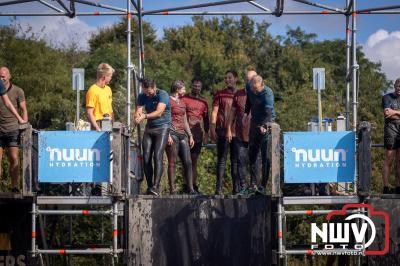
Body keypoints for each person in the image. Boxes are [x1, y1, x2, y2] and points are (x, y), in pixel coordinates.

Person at [135, 78, 171, 196]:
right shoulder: (142, 95)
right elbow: (138, 110)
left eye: (149, 92)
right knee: (146, 157)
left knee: (158, 155)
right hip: (150, 128)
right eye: (145, 92)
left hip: (163, 127)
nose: (147, 94)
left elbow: (159, 112)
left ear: (154, 87)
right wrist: (137, 116)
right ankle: (150, 186)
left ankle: (156, 186)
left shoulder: (163, 94)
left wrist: (144, 116)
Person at [210, 70, 239, 195]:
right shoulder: (220, 94)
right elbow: (214, 112)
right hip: (222, 131)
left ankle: (236, 189)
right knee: (221, 160)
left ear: (236, 79)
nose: (227, 80)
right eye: (226, 78)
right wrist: (212, 129)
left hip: (237, 132)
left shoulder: (241, 94)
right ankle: (218, 189)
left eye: (230, 77)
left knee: (235, 161)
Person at [245, 74, 275, 194]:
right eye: (253, 88)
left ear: (262, 85)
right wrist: (246, 112)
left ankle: (263, 185)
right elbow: (249, 99)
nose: (255, 91)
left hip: (266, 122)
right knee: (252, 153)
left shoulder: (268, 94)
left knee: (265, 156)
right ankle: (253, 183)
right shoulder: (249, 87)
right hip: (254, 122)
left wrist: (265, 126)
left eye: (256, 89)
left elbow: (268, 112)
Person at [0, 67, 28, 193]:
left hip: (12, 128)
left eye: (3, 76)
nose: (2, 78)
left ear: (9, 76)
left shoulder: (17, 91)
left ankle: (15, 186)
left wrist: (24, 123)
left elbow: (23, 109)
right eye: (0, 76)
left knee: (13, 158)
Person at [166, 80, 196, 194]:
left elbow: (185, 120)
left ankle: (190, 188)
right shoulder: (168, 101)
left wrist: (190, 135)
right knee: (172, 161)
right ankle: (172, 189)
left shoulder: (182, 102)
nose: (185, 91)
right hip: (172, 133)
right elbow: (166, 118)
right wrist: (167, 133)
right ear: (177, 89)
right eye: (183, 89)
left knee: (188, 162)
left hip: (182, 134)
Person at [226, 71, 254, 194]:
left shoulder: (260, 94)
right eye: (247, 79)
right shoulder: (238, 94)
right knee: (241, 162)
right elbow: (232, 114)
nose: (250, 82)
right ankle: (243, 187)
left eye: (252, 79)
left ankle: (254, 186)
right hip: (240, 134)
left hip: (255, 135)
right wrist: (228, 129)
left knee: (255, 162)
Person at [181, 78, 209, 193]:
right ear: (191, 86)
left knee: (194, 161)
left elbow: (206, 120)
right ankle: (186, 186)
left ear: (201, 88)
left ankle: (193, 185)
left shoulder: (204, 102)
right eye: (195, 86)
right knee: (185, 161)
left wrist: (207, 134)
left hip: (197, 135)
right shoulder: (184, 98)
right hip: (184, 134)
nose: (196, 88)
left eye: (199, 86)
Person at [382, 78, 400, 194]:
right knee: (389, 158)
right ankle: (386, 186)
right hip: (391, 129)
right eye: (398, 86)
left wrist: (394, 112)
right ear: (394, 86)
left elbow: (391, 113)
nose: (399, 89)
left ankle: (399, 186)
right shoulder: (387, 97)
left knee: (399, 160)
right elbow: (387, 114)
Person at [86, 63, 115, 131]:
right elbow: (89, 113)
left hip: (109, 122)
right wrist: (97, 127)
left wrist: (113, 122)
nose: (111, 78)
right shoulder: (92, 90)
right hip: (98, 123)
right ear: (104, 77)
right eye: (110, 76)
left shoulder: (108, 89)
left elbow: (110, 109)